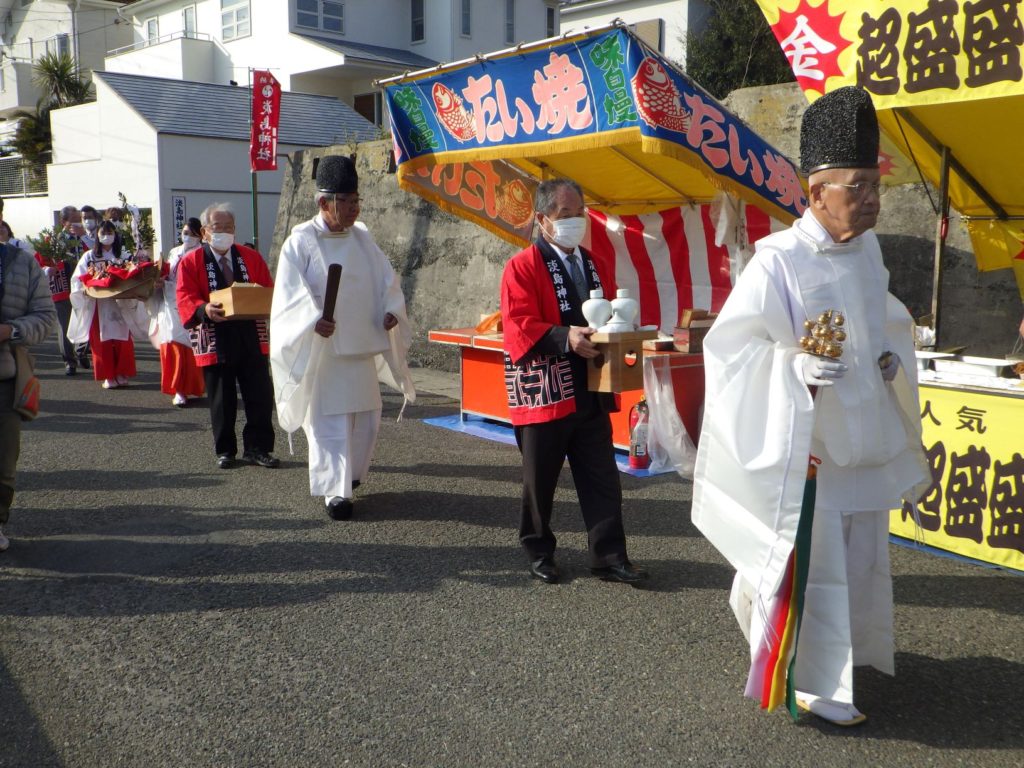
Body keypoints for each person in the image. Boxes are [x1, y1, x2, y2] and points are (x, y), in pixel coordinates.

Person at [691, 87, 930, 727]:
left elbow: (885, 323)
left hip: (863, 441)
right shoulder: (777, 263)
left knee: (856, 566)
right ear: (815, 190)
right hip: (809, 450)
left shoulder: (868, 251)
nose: (873, 199)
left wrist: (889, 360)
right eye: (857, 187)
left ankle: (844, 664)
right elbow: (730, 352)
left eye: (874, 184)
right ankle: (813, 684)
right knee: (813, 569)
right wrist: (792, 366)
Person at [499, 178, 648, 586]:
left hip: (591, 384)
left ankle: (609, 555)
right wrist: (566, 336)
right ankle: (539, 550)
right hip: (546, 387)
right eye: (564, 215)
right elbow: (518, 324)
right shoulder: (523, 265)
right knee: (539, 477)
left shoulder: (592, 260)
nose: (574, 222)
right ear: (543, 220)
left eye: (579, 213)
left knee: (601, 474)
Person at [271, 156, 415, 520]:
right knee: (329, 423)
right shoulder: (300, 242)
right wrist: (312, 321)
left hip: (362, 347)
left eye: (356, 201)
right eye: (347, 202)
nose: (354, 209)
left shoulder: (363, 238)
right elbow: (288, 299)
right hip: (324, 354)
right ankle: (334, 492)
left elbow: (388, 281)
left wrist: (391, 310)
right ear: (324, 202)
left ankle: (349, 478)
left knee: (366, 419)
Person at [176, 203, 279, 470]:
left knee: (259, 394)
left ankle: (258, 447)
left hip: (250, 332)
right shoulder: (191, 262)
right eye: (217, 227)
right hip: (214, 333)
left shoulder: (250, 257)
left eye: (229, 227)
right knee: (222, 398)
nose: (224, 232)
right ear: (204, 232)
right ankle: (226, 450)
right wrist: (203, 308)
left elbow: (268, 287)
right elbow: (184, 295)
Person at [0, 233, 58, 552]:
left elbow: (46, 317)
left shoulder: (21, 264)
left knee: (4, 462)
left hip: (6, 376)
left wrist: (11, 331)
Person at [68, 220, 146, 389]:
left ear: (115, 235)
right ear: (97, 235)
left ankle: (121, 373)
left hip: (121, 302)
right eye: (103, 233)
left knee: (122, 339)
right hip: (99, 303)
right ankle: (108, 375)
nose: (106, 236)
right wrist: (85, 288)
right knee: (101, 340)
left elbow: (134, 274)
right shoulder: (89, 256)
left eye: (110, 233)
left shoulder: (124, 255)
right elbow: (77, 278)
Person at [151, 217, 205, 407]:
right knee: (171, 345)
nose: (186, 236)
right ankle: (178, 388)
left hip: (189, 304)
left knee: (189, 347)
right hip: (169, 302)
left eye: (190, 233)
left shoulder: (202, 253)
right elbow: (167, 273)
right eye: (184, 232)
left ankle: (191, 385)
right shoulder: (174, 252)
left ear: (200, 235)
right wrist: (159, 280)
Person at [38, 206, 89, 375]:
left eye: (78, 220)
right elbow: (39, 262)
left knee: (86, 320)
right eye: (73, 220)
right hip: (62, 287)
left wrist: (85, 236)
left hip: (84, 287)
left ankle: (82, 350)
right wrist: (47, 269)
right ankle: (69, 361)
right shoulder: (53, 240)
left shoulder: (85, 239)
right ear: (63, 222)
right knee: (64, 324)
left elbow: (96, 254)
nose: (77, 224)